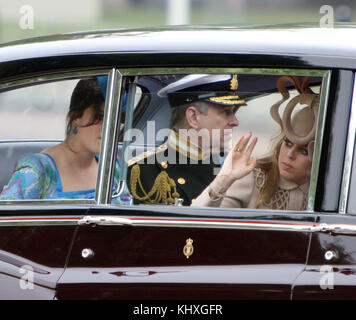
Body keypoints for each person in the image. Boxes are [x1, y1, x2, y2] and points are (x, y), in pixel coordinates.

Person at [192, 80, 319, 211]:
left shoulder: (327, 191)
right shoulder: (253, 176)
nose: (289, 154)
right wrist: (224, 180)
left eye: (303, 151)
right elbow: (196, 221)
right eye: (287, 143)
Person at [0, 77, 130, 204]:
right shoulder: (38, 172)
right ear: (75, 117)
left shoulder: (114, 167)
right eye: (100, 117)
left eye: (116, 118)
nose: (110, 126)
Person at [128, 74, 246, 206]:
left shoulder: (226, 165)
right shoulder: (147, 169)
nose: (235, 122)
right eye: (226, 112)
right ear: (193, 117)